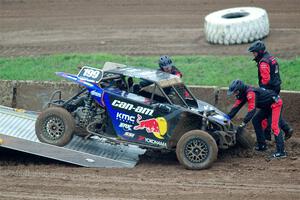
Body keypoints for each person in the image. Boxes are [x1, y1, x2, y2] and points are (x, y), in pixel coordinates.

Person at [226, 79, 287, 159]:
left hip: (275, 104)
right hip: (267, 106)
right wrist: (225, 118)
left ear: (240, 90)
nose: (234, 94)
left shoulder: (250, 94)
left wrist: (243, 124)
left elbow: (252, 110)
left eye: (235, 92)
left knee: (274, 126)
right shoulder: (242, 94)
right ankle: (262, 145)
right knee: (256, 120)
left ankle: (281, 152)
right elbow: (235, 108)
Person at [248, 40, 293, 140]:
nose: (253, 54)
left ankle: (285, 129)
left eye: (254, 52)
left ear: (259, 51)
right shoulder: (270, 58)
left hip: (270, 90)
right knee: (268, 111)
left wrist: (262, 90)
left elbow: (266, 79)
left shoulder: (263, 62)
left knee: (269, 112)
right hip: (275, 87)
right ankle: (269, 134)